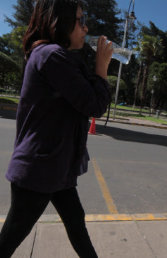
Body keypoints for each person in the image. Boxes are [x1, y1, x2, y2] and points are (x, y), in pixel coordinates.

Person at [0, 0, 113, 257]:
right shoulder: (51, 56)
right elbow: (93, 104)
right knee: (10, 239)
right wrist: (102, 68)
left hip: (54, 166)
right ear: (60, 21)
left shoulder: (59, 57)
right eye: (80, 21)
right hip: (39, 169)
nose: (86, 28)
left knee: (75, 220)